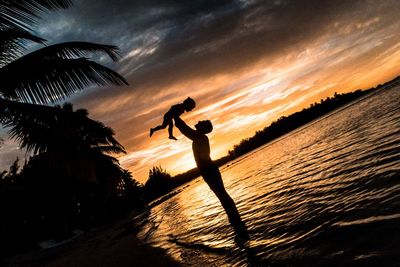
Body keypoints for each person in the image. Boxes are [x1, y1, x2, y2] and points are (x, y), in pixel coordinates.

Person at [174, 115, 249, 239]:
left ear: (203, 128)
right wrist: (175, 119)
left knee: (222, 195)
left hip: (209, 170)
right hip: (208, 170)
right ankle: (236, 223)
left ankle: (237, 223)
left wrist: (175, 116)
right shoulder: (199, 137)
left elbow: (184, 129)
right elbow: (184, 129)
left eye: (202, 122)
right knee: (222, 196)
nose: (198, 121)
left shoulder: (200, 137)